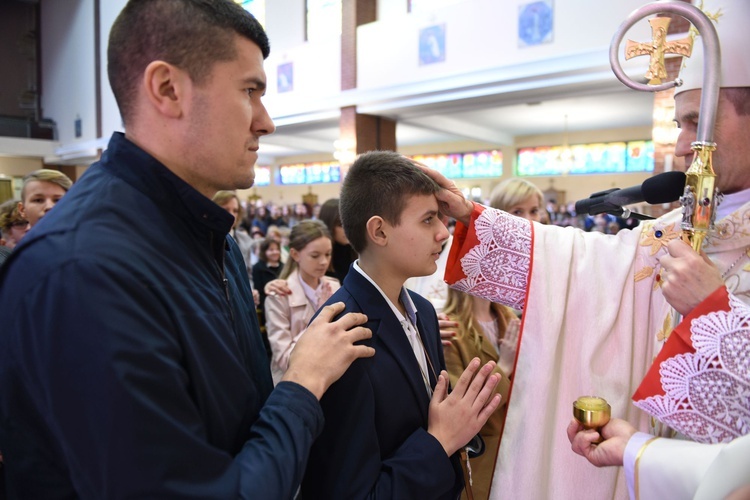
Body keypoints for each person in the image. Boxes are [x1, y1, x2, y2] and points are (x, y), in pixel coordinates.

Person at [0, 1, 375, 498]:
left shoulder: (206, 235)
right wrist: (302, 384)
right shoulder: (84, 269)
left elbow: (236, 424)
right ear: (168, 89)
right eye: (249, 91)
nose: (266, 122)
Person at [418, 0, 750, 497]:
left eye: (695, 122)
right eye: (681, 123)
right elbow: (583, 267)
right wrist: (474, 219)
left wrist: (710, 313)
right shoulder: (674, 229)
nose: (683, 147)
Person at [301, 151, 503, 499]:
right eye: (428, 220)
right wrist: (439, 442)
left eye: (440, 218)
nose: (443, 232)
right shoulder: (341, 333)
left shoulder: (422, 311)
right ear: (379, 231)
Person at [442, 287, 517, 500]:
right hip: (482, 461)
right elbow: (463, 409)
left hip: (519, 451)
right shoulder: (450, 329)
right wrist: (503, 367)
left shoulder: (510, 320)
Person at [265, 219, 340, 385]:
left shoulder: (334, 286)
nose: (323, 262)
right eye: (315, 255)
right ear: (295, 254)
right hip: (294, 385)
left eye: (328, 254)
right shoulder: (279, 296)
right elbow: (285, 360)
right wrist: (320, 316)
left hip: (332, 382)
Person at [318, 197, 357, 283]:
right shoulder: (320, 259)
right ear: (329, 225)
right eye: (341, 225)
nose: (348, 228)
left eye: (350, 222)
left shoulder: (359, 252)